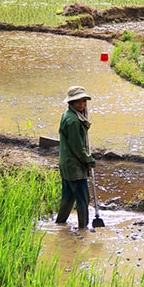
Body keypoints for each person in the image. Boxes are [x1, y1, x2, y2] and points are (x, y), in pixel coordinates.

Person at [55, 85, 96, 229]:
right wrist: (89, 160)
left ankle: (60, 223)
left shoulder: (69, 115)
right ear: (71, 103)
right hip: (74, 166)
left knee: (68, 197)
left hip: (66, 164)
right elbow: (77, 147)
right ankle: (83, 228)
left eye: (84, 101)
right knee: (83, 199)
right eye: (78, 102)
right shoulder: (73, 121)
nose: (82, 104)